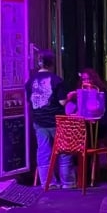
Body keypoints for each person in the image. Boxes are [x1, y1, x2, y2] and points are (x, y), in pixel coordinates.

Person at [26, 51, 72, 188]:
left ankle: (48, 182)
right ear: (52, 63)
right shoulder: (56, 80)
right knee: (64, 151)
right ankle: (68, 182)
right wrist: (71, 96)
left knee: (43, 152)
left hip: (39, 121)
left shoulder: (30, 81)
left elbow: (30, 101)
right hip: (57, 121)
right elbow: (62, 102)